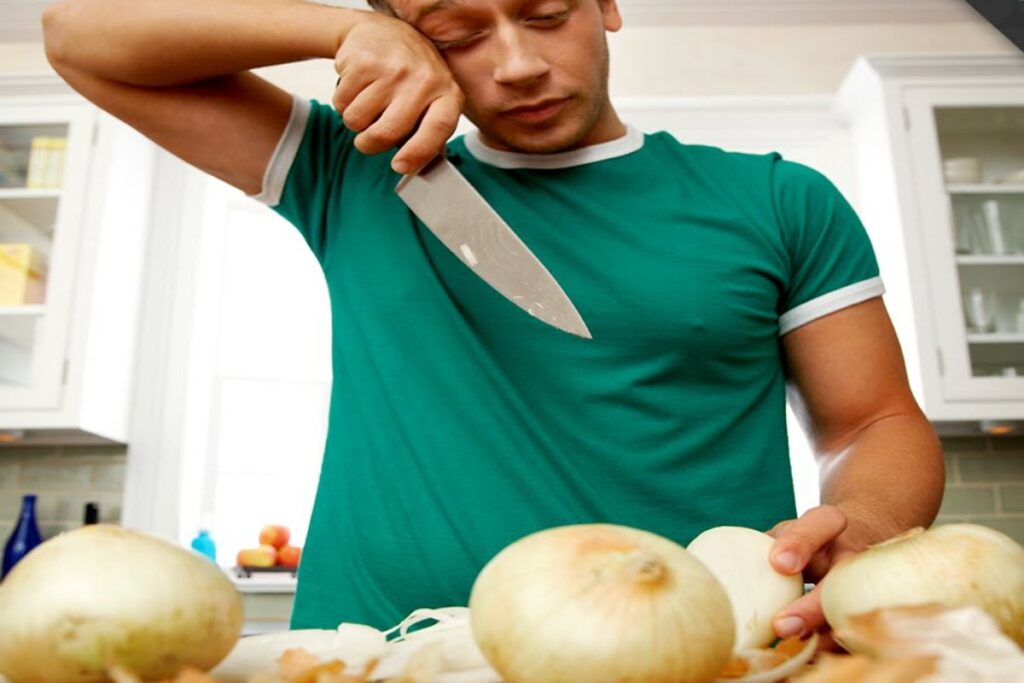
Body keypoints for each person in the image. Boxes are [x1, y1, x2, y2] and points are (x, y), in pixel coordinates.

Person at [42, 0, 945, 642]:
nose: (515, 62)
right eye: (456, 33)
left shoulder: (779, 200)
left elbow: (872, 421)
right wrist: (342, 29)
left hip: (696, 653)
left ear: (607, 5)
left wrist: (866, 522)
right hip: (378, 656)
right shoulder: (354, 172)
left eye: (546, 13)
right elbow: (78, 34)